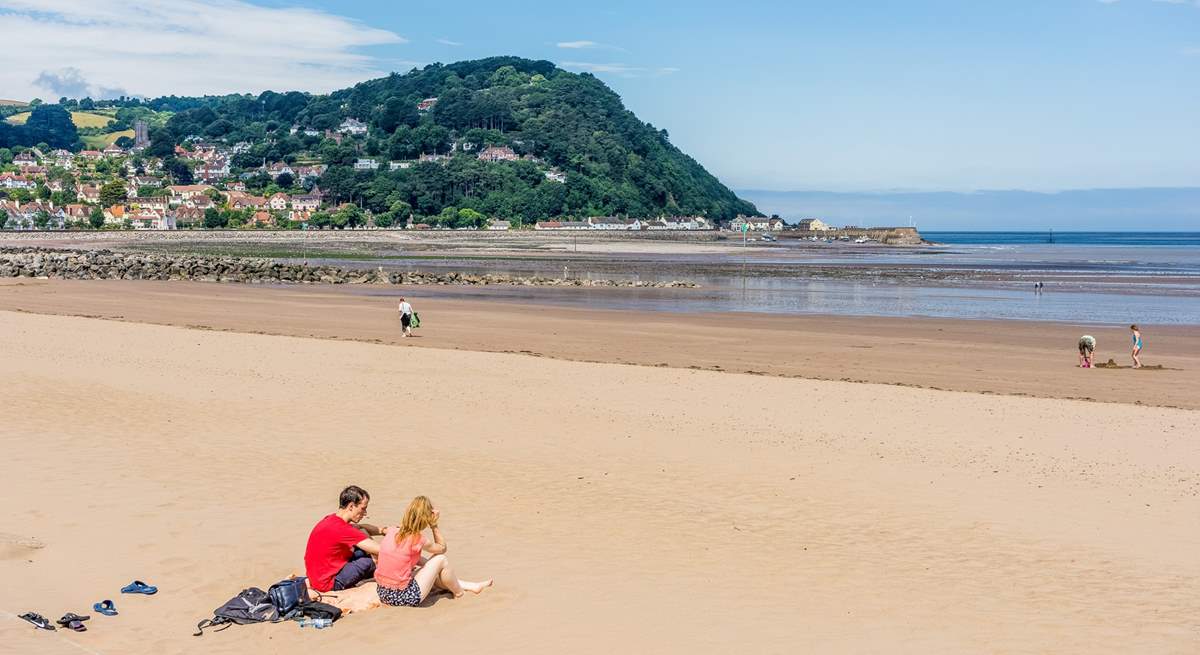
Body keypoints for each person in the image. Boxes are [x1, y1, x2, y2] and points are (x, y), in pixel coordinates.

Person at [375, 496, 492, 607]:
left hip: (384, 593)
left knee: (435, 570)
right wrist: (434, 525)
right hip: (403, 597)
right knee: (441, 560)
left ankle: (473, 586)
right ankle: (459, 593)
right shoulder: (417, 539)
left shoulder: (392, 531)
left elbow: (420, 562)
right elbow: (442, 548)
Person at [304, 486, 386, 593]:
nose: (365, 513)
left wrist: (383, 530)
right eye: (363, 509)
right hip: (329, 584)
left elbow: (360, 528)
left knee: (361, 544)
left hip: (317, 577)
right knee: (370, 561)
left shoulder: (331, 519)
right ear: (351, 506)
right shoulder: (342, 529)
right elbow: (380, 550)